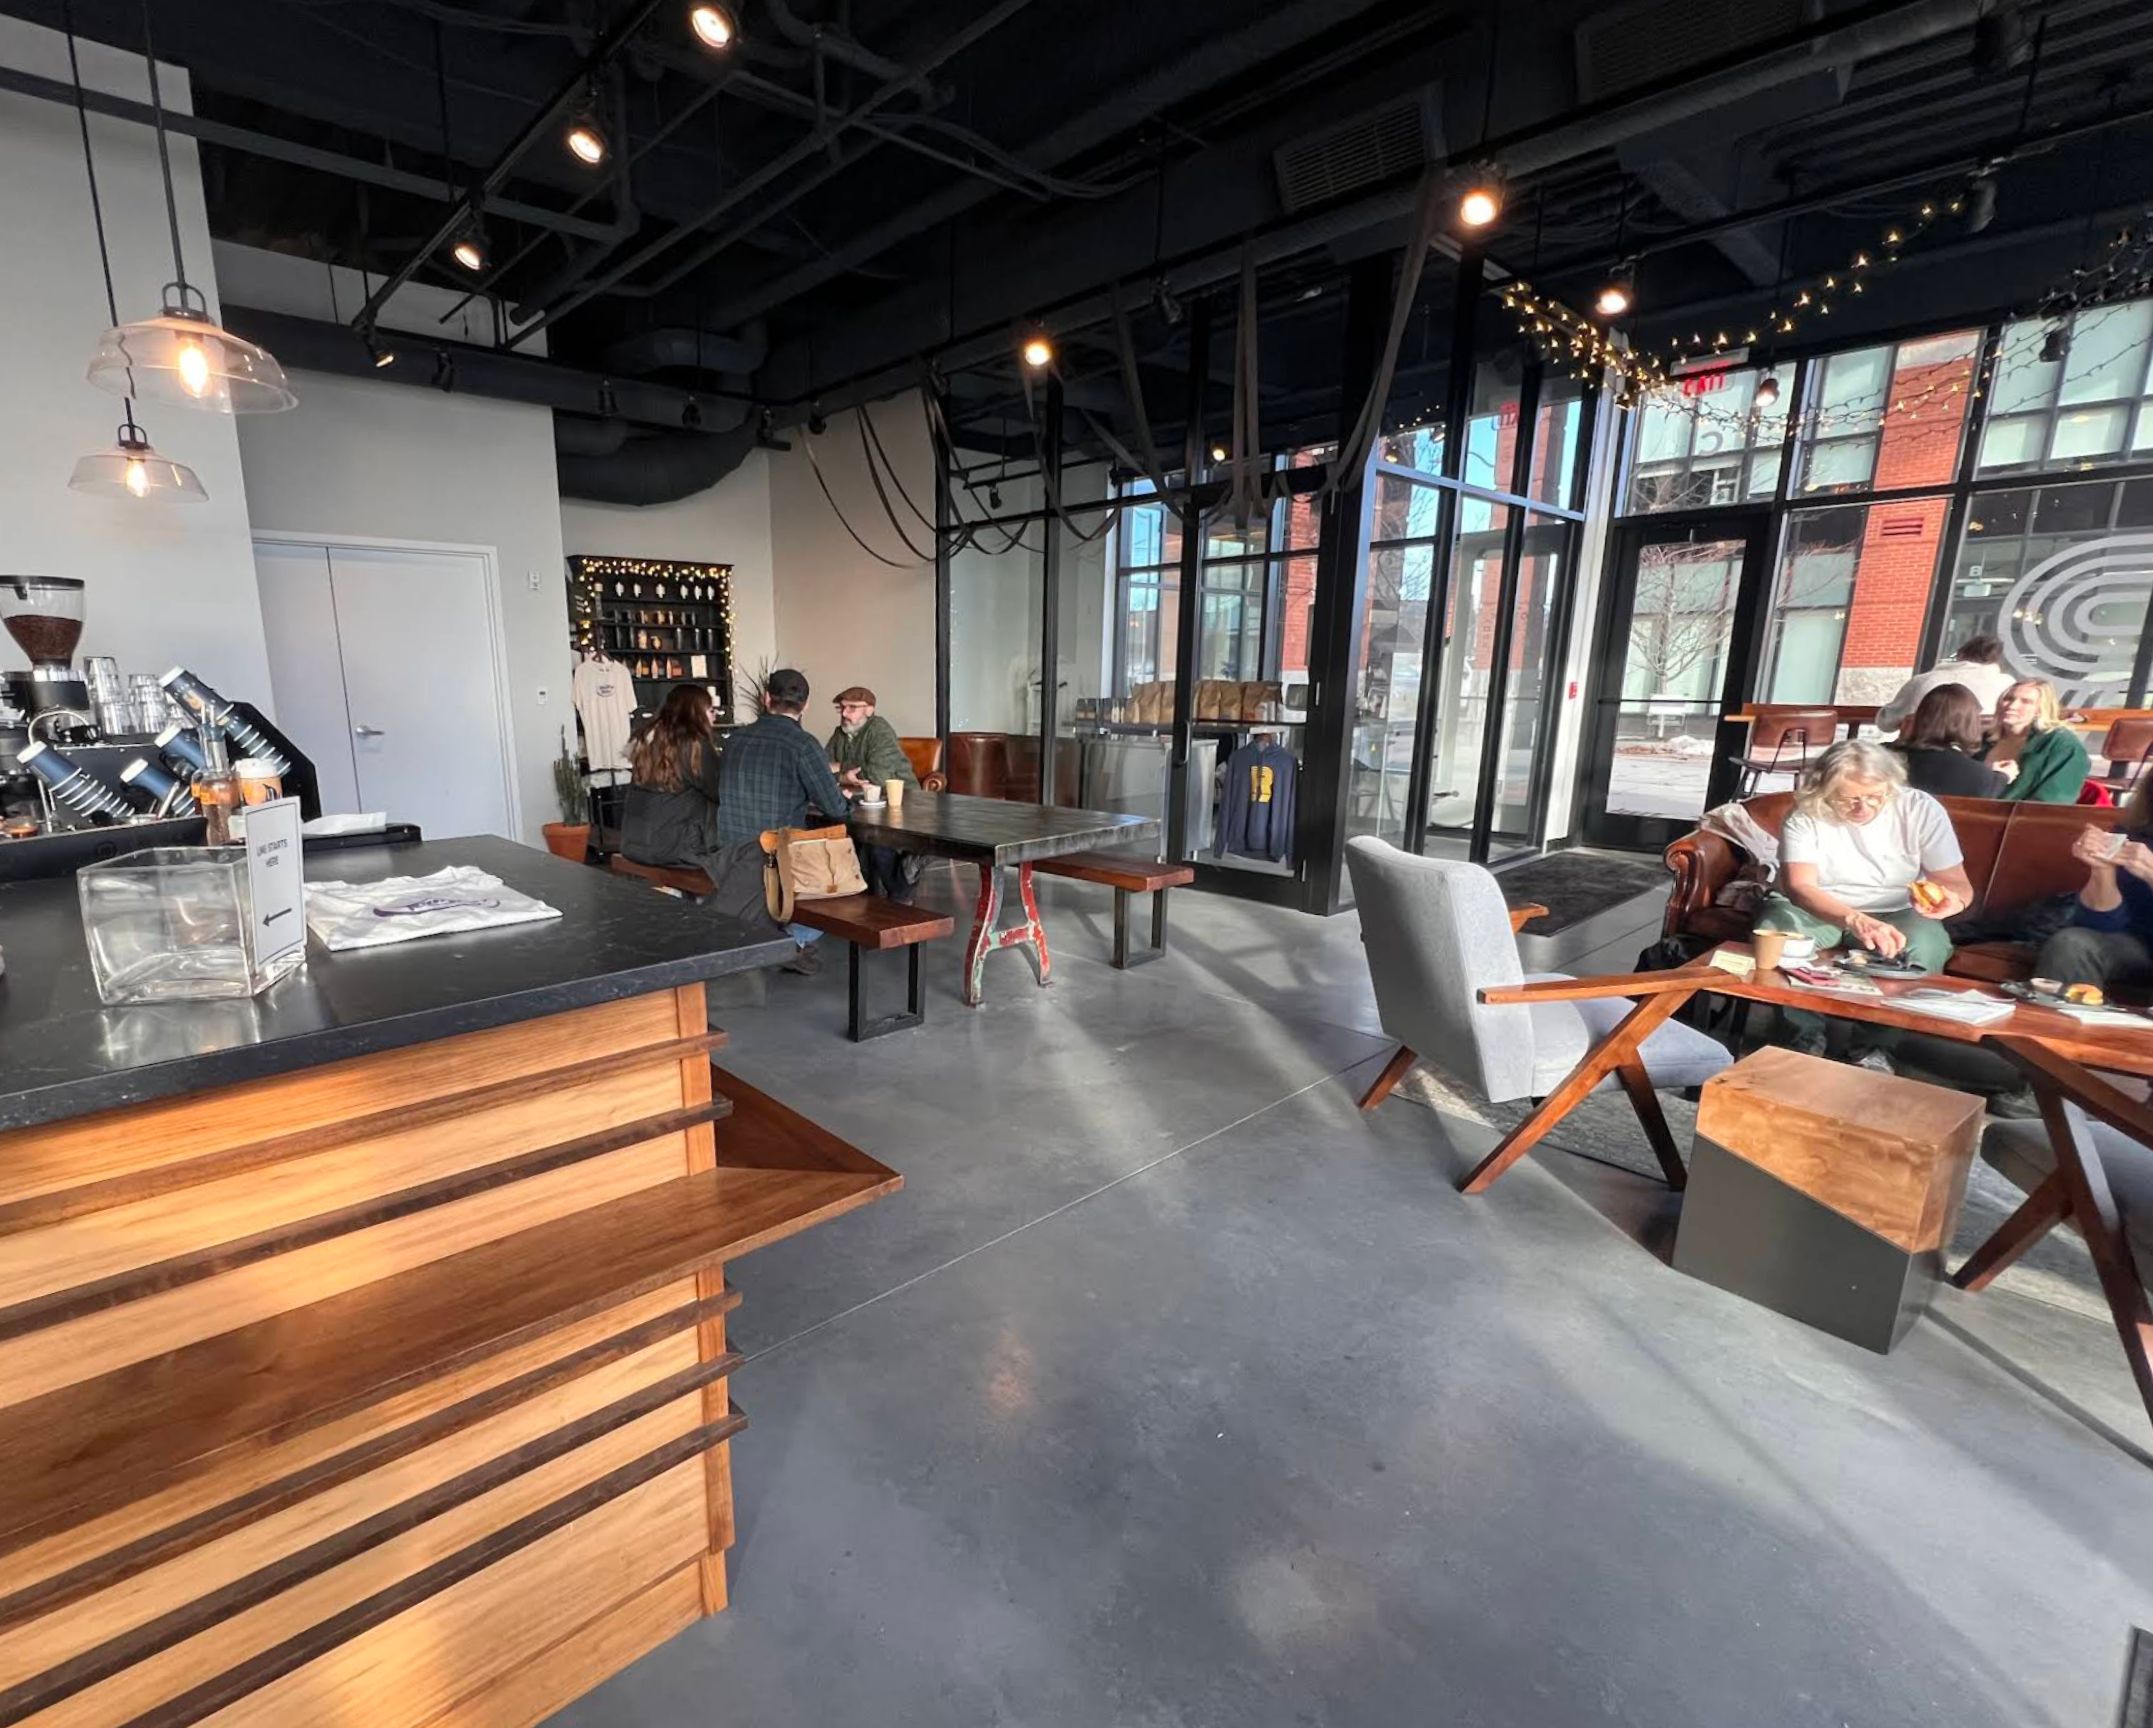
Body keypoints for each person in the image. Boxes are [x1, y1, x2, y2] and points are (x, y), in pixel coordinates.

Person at [1754, 739, 1975, 1072]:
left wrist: (1952, 901)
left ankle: (1875, 1047)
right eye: (1848, 799)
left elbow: (1958, 884)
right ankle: (1801, 1036)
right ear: (1824, 790)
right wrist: (1855, 919)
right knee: (1778, 938)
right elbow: (1800, 887)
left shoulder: (1920, 809)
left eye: (1875, 796)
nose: (1864, 808)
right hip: (1816, 905)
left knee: (1925, 946)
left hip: (1897, 909)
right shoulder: (1806, 813)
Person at [712, 667, 852, 977]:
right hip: (772, 855)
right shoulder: (803, 745)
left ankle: (783, 939)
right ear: (806, 705)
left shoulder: (735, 739)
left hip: (726, 850)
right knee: (843, 883)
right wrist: (849, 799)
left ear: (766, 699)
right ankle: (791, 942)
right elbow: (835, 809)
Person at [2037, 773, 2153, 994]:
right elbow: (2101, 924)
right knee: (2072, 943)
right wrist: (2101, 868)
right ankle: (2062, 1016)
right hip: (2136, 946)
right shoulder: (2134, 833)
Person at [826, 685, 918, 900]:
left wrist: (840, 769)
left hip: (901, 801)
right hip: (863, 803)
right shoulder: (840, 733)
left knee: (875, 841)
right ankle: (867, 895)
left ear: (869, 709)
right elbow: (822, 768)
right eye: (841, 708)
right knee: (843, 833)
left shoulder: (880, 731)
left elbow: (877, 775)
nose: (845, 713)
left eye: (852, 708)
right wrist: (844, 776)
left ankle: (900, 894)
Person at [621, 683, 723, 872]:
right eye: (710, 710)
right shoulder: (694, 745)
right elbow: (719, 791)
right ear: (694, 713)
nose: (714, 716)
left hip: (634, 843)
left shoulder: (647, 740)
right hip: (674, 849)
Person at [1876, 633, 2015, 734]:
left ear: (1960, 654)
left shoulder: (1923, 681)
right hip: (1981, 757)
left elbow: (1886, 723)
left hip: (1922, 754)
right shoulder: (2007, 685)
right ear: (1997, 661)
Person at [1886, 683, 2007, 798]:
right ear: (1969, 723)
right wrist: (2003, 777)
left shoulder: (1881, 755)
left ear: (1920, 716)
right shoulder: (1981, 777)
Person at [1982, 677, 2090, 803]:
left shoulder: (2064, 745)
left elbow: (2053, 803)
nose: (2012, 706)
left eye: (2026, 701)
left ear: (2041, 709)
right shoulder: (1984, 738)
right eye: (2008, 698)